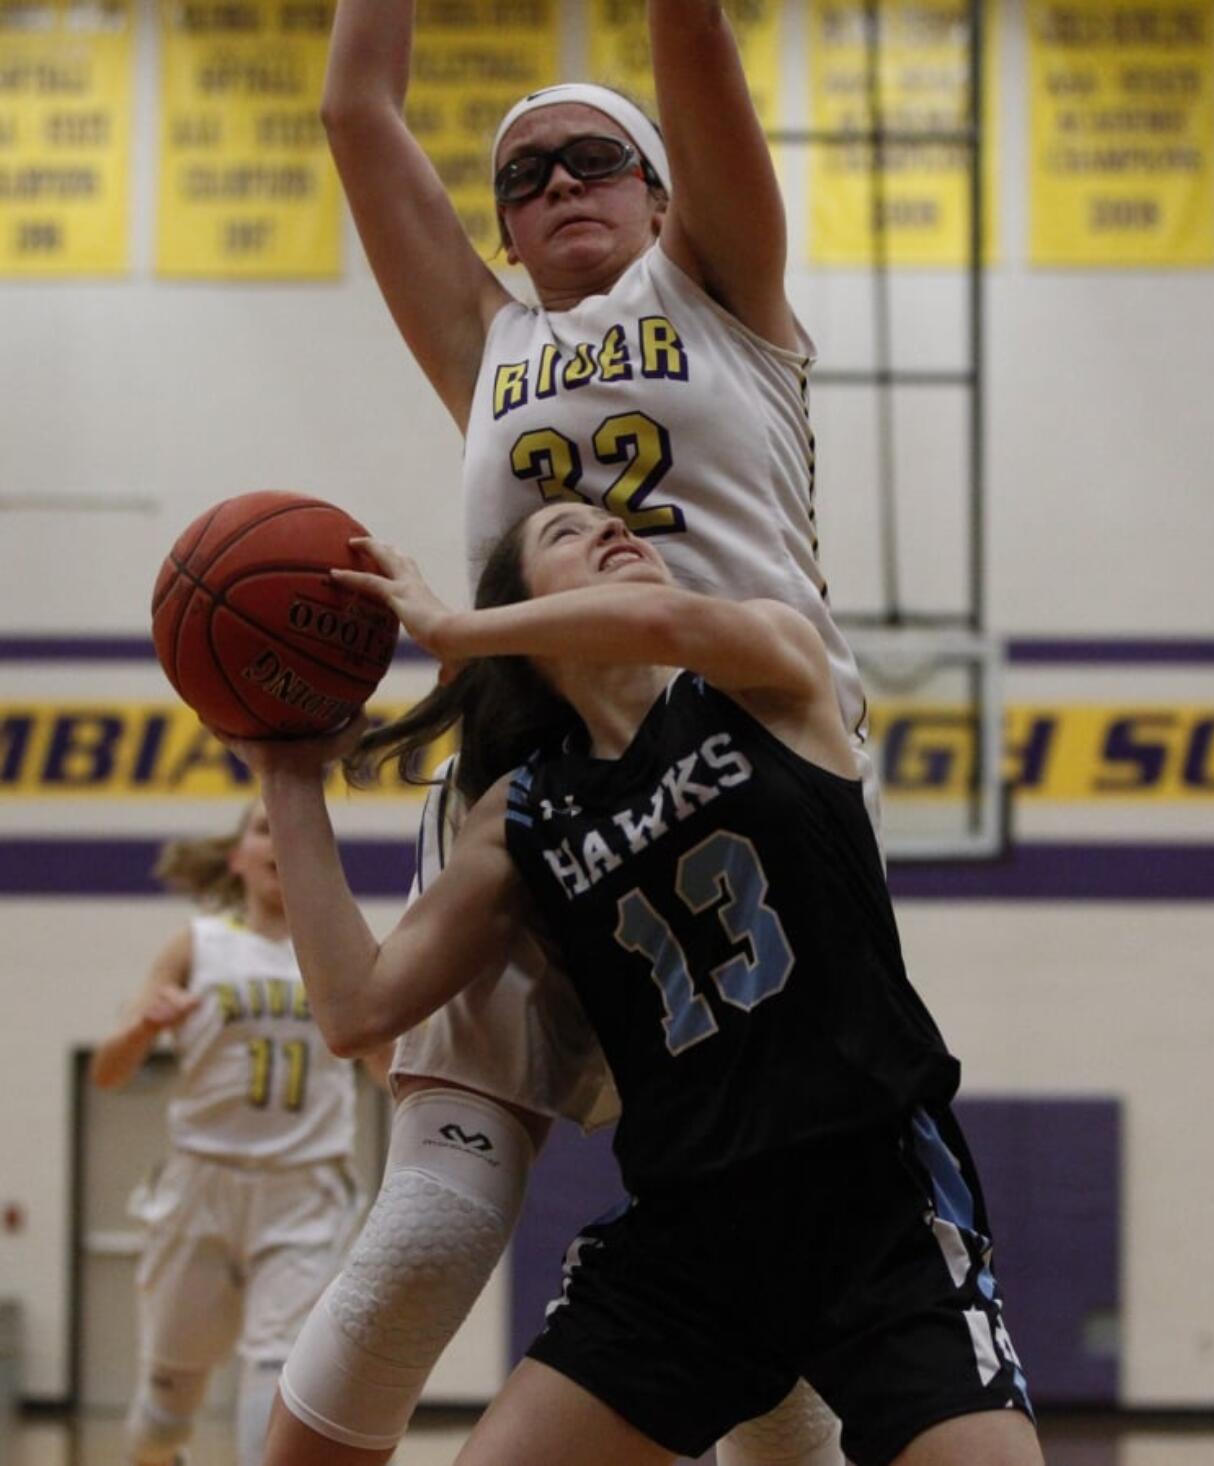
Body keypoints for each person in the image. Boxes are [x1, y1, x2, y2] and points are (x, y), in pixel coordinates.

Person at [276, 1, 877, 1459]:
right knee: (427, 1227)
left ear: (659, 187)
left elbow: (690, 33)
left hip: (742, 782)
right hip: (526, 801)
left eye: (590, 158)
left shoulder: (720, 288)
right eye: (523, 177)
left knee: (762, 1254)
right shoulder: (486, 338)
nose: (554, 187)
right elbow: (357, 109)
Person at [231, 503, 1042, 1466]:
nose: (616, 532)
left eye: (622, 523)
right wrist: (288, 777)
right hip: (691, 1241)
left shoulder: (767, 671)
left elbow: (662, 628)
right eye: (569, 534)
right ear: (526, 612)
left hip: (876, 1209)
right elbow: (356, 1007)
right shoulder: (524, 811)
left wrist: (457, 632)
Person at [90, 802, 390, 1466]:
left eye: (288, 828)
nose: (279, 837)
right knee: (163, 1416)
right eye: (263, 828)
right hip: (200, 1182)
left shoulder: (341, 952)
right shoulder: (197, 944)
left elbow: (387, 1069)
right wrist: (143, 1028)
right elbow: (108, 1074)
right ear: (239, 857)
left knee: (277, 1367)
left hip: (305, 1186)